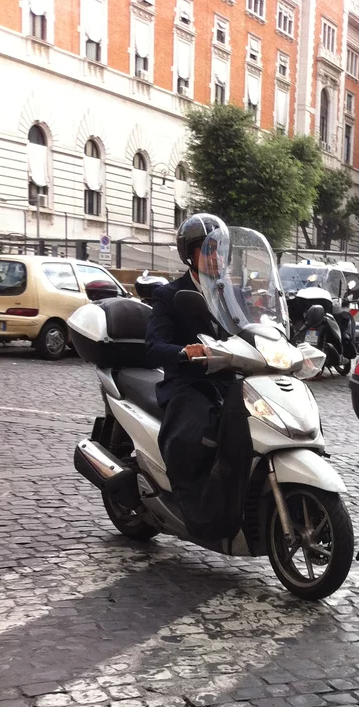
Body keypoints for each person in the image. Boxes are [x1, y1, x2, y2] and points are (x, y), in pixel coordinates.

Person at [146, 214, 251, 540]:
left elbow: (250, 331)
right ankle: (197, 506)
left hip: (228, 380)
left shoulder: (232, 293)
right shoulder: (169, 295)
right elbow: (153, 347)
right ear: (189, 255)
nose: (215, 257)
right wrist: (184, 352)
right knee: (198, 433)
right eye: (207, 250)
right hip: (188, 384)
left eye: (219, 250)